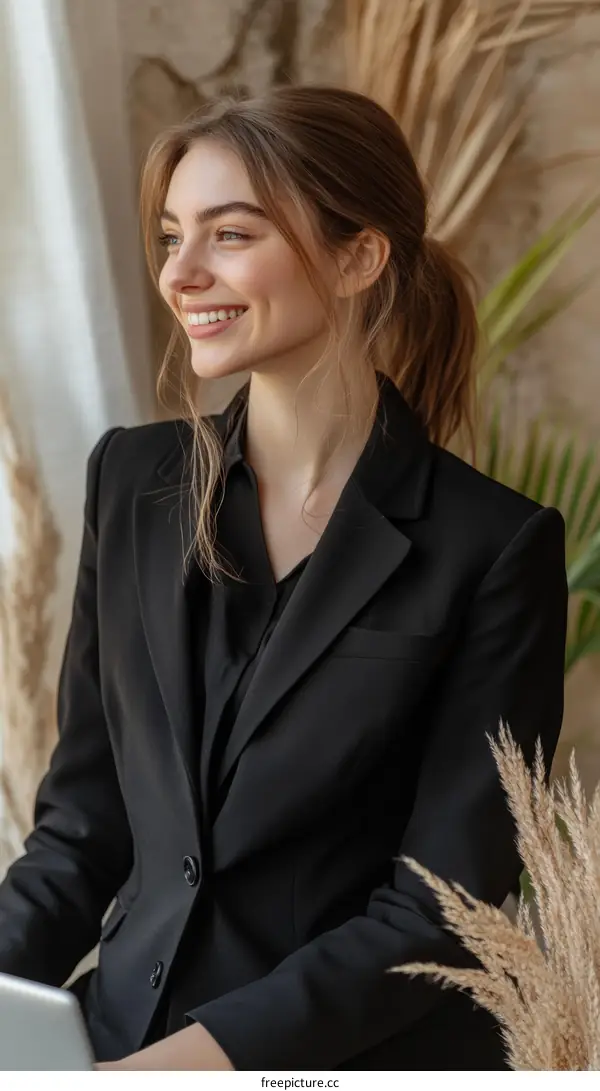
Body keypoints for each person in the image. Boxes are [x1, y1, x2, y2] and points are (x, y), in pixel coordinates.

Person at [0, 83, 567, 1071]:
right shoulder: (132, 482)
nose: (182, 273)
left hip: (337, 1058)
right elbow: (82, 828)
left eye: (229, 234)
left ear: (359, 256)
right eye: (173, 235)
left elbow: (443, 908)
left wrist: (182, 1065)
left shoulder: (494, 546)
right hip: (112, 1044)